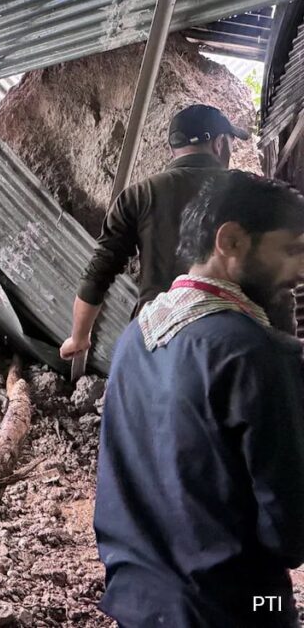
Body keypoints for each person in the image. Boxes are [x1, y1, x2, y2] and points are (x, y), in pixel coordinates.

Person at [94, 171, 304, 627]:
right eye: (291, 250)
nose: (301, 271)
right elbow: (290, 532)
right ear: (230, 240)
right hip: (238, 609)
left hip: (140, 602)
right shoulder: (256, 353)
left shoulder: (135, 337)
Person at [60, 104, 250, 362]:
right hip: (229, 344)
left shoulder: (139, 195)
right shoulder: (251, 194)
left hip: (155, 340)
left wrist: (79, 337)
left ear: (174, 149)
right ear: (218, 144)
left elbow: (98, 272)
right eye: (230, 142)